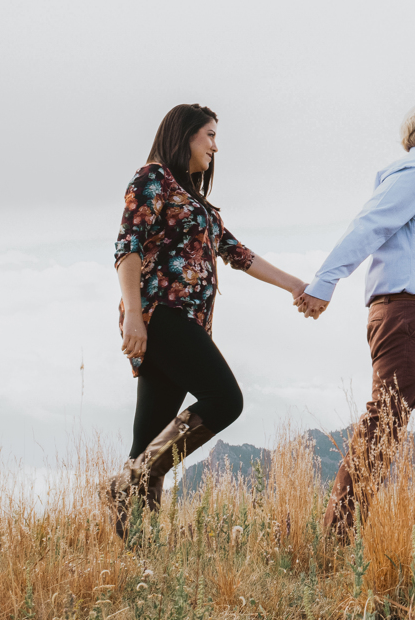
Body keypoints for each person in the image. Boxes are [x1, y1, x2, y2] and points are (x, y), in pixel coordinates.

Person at [103, 103, 308, 535]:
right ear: (185, 136)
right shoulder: (152, 178)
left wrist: (295, 285)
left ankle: (137, 550)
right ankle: (133, 479)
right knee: (225, 401)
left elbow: (240, 255)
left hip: (187, 323)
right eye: (209, 135)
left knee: (148, 438)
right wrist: (134, 317)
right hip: (163, 315)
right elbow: (128, 248)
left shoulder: (196, 201)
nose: (216, 145)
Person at [295, 101, 415, 536]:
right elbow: (369, 225)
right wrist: (325, 280)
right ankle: (338, 534)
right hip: (408, 312)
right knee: (386, 421)